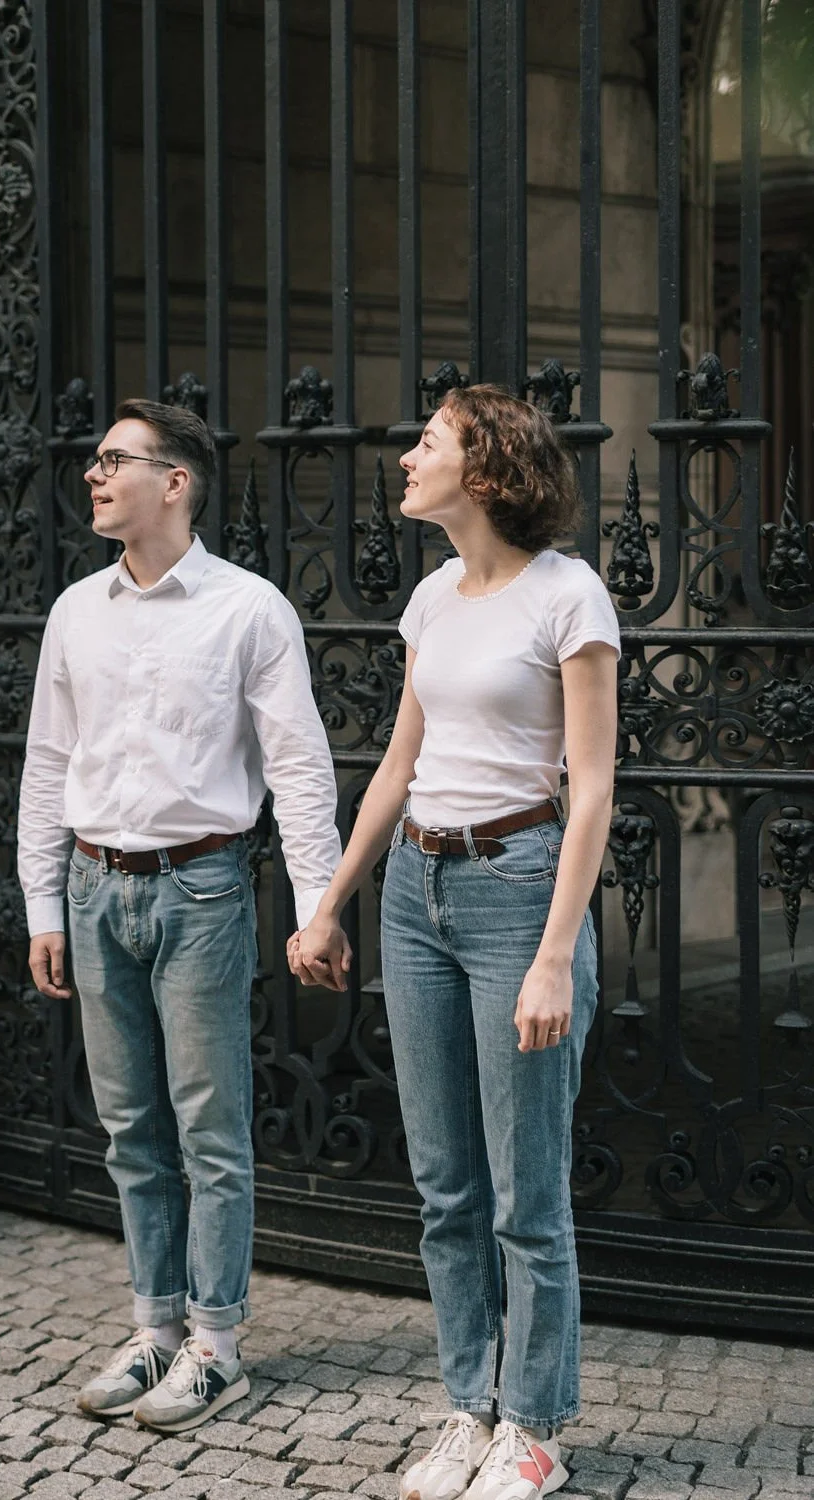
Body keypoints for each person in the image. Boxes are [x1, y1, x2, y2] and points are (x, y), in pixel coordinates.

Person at [289, 386, 619, 1500]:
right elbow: (399, 763)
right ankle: (468, 1407)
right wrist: (331, 901)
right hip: (417, 891)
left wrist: (554, 955)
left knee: (526, 1191)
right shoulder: (432, 597)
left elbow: (592, 790)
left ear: (484, 470)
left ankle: (534, 1427)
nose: (406, 456)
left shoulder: (568, 596)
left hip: (518, 891)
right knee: (444, 1187)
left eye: (427, 441)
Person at [18, 398, 341, 1432]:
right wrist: (43, 902)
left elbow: (298, 767)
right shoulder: (77, 610)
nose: (93, 475)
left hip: (202, 889)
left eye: (114, 459)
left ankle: (216, 1347)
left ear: (176, 482)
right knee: (130, 1130)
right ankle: (154, 1329)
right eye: (94, 460)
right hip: (93, 886)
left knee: (209, 1129)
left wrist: (317, 906)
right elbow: (47, 763)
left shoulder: (249, 611)